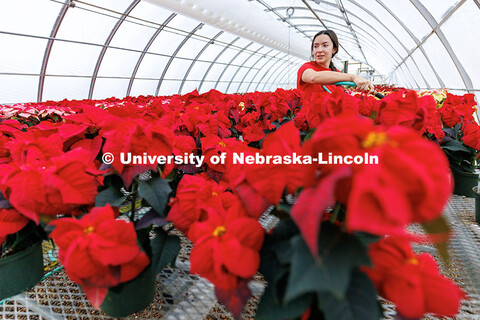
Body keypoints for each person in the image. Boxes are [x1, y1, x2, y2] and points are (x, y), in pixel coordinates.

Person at [297, 29, 374, 103]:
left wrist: (363, 86)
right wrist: (353, 77)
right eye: (315, 46)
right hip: (308, 116)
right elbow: (313, 78)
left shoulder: (336, 73)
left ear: (334, 49)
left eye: (325, 45)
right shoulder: (306, 68)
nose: (319, 50)